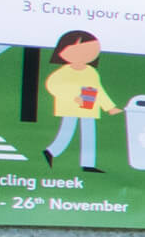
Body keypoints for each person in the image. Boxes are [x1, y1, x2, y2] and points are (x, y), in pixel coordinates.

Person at [40, 30, 108, 169]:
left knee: (89, 135)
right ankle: (51, 152)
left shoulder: (91, 72)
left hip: (88, 108)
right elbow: (53, 86)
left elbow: (98, 89)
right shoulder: (63, 72)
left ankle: (88, 164)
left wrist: (108, 106)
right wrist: (73, 97)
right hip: (70, 108)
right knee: (67, 131)